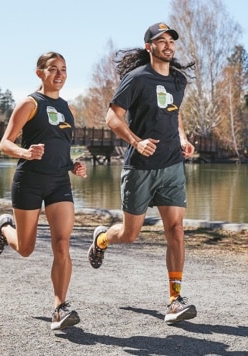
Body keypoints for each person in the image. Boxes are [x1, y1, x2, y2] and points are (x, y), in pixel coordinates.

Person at [87, 22, 197, 324]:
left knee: (175, 229)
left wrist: (183, 138)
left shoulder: (178, 80)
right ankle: (102, 240)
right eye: (161, 41)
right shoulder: (136, 79)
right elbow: (112, 117)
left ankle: (175, 300)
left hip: (172, 165)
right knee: (130, 233)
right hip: (140, 168)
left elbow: (175, 112)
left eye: (171, 40)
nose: (168, 45)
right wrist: (136, 141)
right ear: (149, 46)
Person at [0, 51, 88, 331]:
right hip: (29, 180)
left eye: (64, 69)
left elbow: (60, 147)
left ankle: (60, 308)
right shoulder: (30, 104)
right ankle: (5, 229)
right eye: (53, 69)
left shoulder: (68, 108)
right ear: (39, 73)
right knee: (25, 248)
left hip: (59, 182)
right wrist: (25, 152)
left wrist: (73, 166)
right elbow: (4, 143)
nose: (59, 74)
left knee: (62, 243)